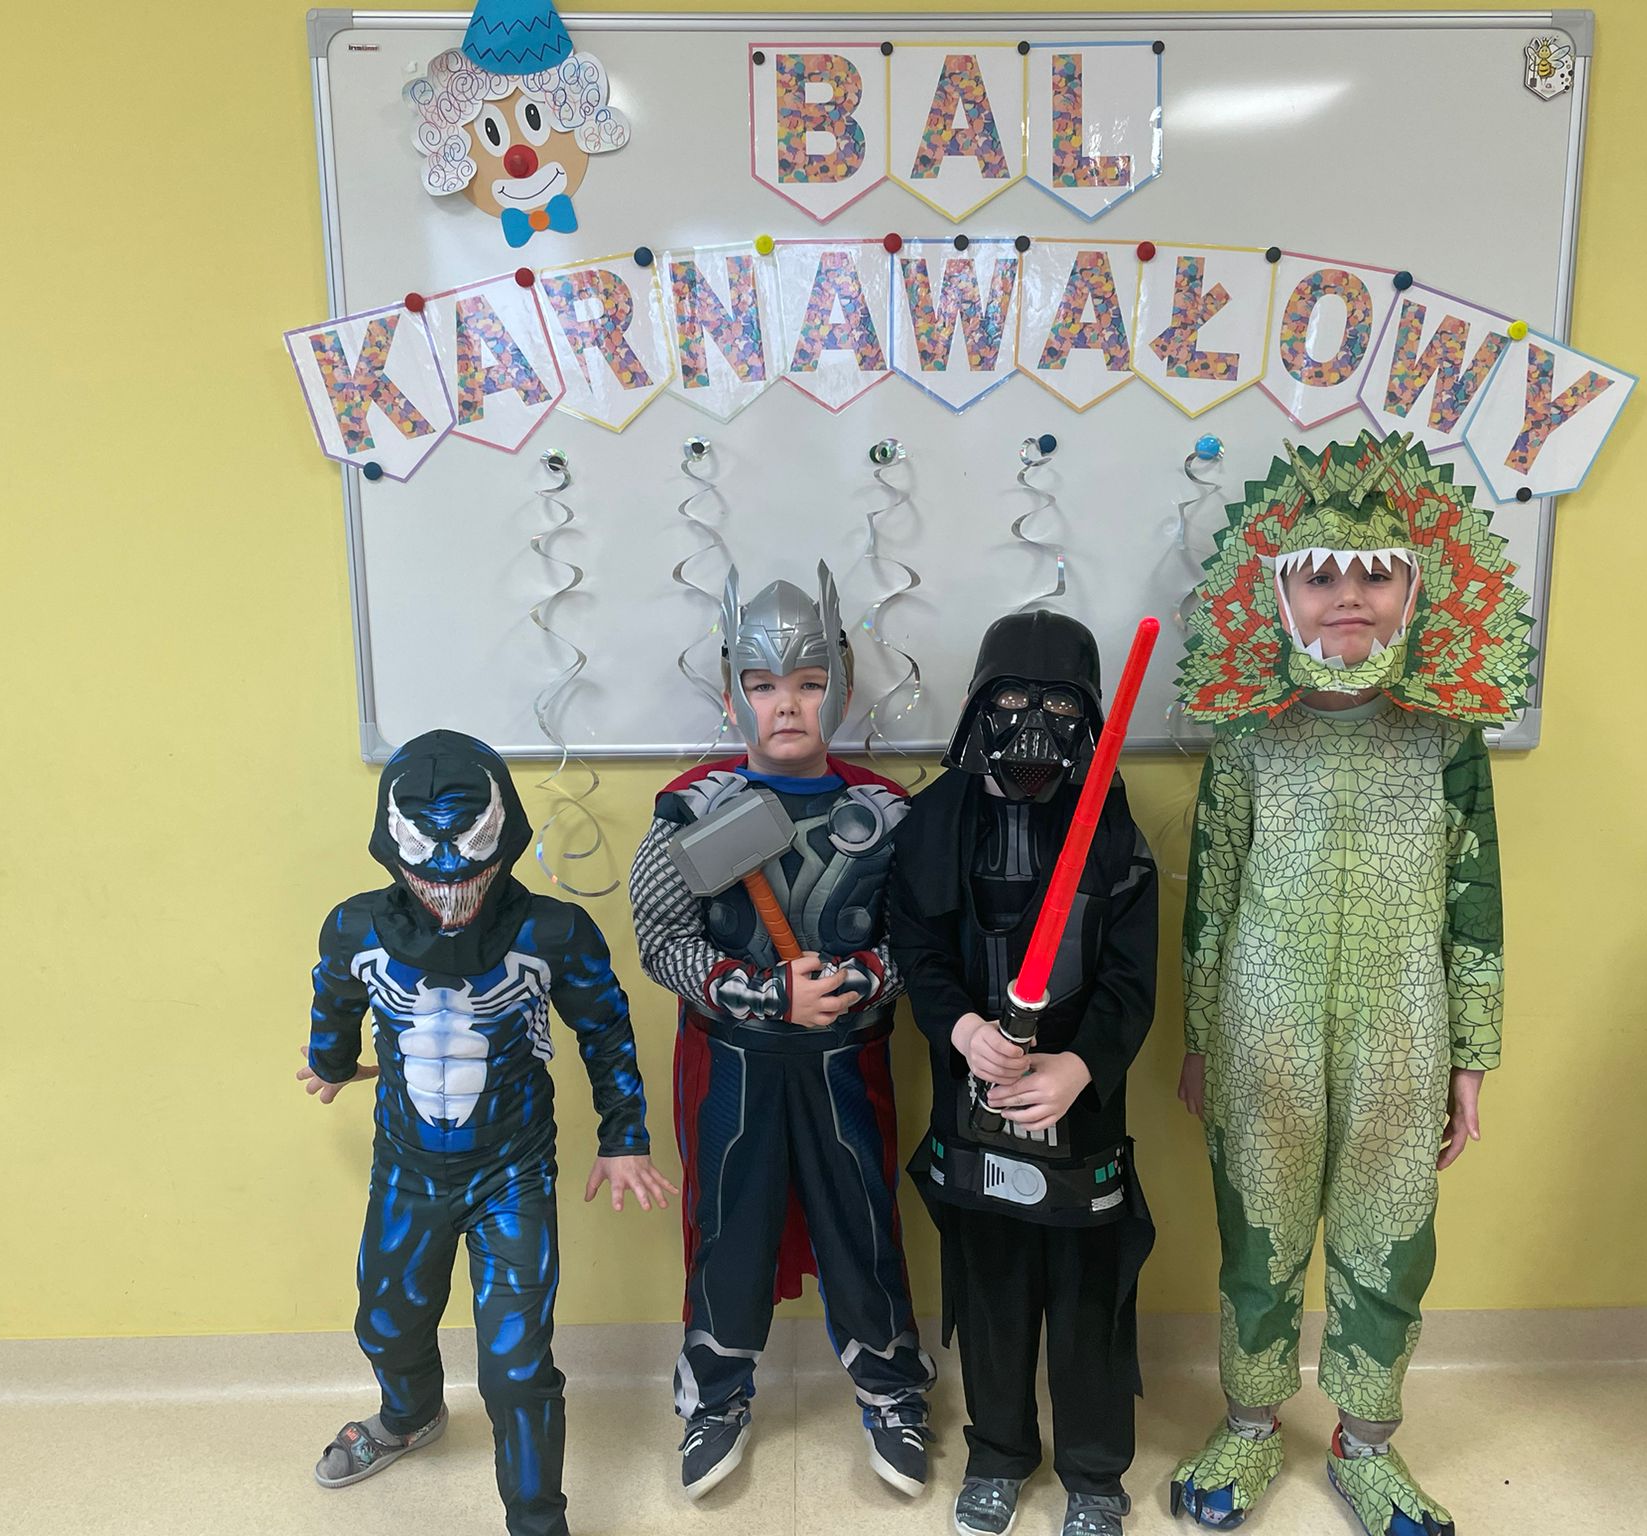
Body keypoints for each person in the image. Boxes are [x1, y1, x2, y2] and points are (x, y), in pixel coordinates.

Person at [1171, 432, 1534, 1536]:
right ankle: (1248, 1424)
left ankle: (1366, 1444)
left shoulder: (1446, 739)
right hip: (1261, 1024)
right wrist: (1198, 1041)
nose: (1347, 597)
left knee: (1388, 1238)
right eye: (1319, 574)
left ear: (1412, 591)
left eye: (1373, 575)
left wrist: (1471, 1059)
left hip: (1403, 1025)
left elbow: (1475, 906)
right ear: (1278, 593)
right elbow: (1209, 902)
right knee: (1259, 1234)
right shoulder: (1246, 739)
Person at [299, 730, 674, 1536]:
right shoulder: (355, 929)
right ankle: (410, 1416)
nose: (447, 876)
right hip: (405, 1168)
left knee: (517, 1368)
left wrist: (625, 1138)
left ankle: (537, 1522)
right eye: (425, 851)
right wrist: (330, 1062)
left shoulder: (552, 932)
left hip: (513, 1174)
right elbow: (335, 998)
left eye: (468, 848)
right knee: (385, 1322)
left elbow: (606, 1030)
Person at [628, 564, 934, 1500]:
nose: (787, 705)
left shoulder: (890, 815)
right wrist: (764, 995)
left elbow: (921, 938)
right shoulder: (690, 810)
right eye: (763, 685)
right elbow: (662, 939)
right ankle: (714, 1394)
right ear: (734, 693)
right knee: (728, 1224)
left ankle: (892, 1388)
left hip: (847, 1063)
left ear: (841, 684)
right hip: (735, 1063)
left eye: (807, 682)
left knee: (862, 1222)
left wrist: (852, 981)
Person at [889, 610, 1159, 1536]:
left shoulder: (1113, 827)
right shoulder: (935, 822)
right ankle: (998, 1453)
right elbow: (919, 952)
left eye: (1059, 706)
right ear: (978, 705)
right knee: (991, 1289)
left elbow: (1132, 980)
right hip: (975, 1100)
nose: (1034, 726)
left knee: (1090, 1295)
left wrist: (1080, 1067)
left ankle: (1095, 1473)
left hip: (1082, 1110)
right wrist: (964, 1031)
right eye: (1011, 700)